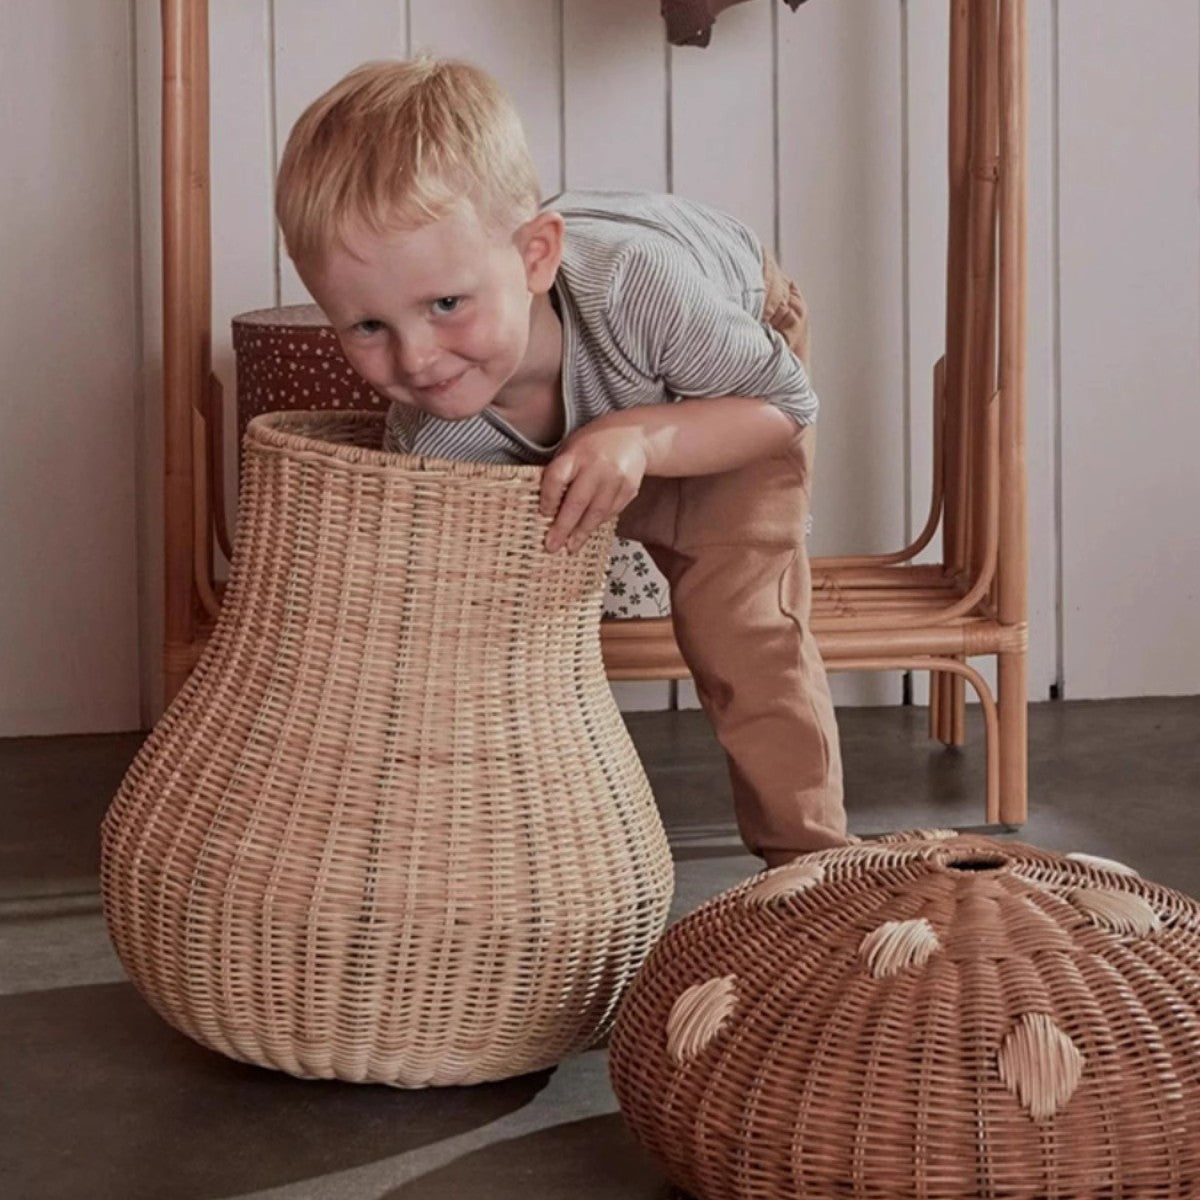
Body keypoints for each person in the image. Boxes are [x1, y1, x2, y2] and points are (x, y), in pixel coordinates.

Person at [275, 56, 848, 865]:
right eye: (366, 327)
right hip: (604, 403)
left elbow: (786, 407)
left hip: (727, 387)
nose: (417, 358)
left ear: (537, 256)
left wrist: (642, 439)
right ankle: (501, 859)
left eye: (447, 304)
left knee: (743, 627)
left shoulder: (638, 290)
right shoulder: (432, 432)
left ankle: (811, 864)